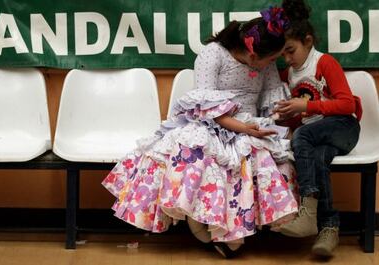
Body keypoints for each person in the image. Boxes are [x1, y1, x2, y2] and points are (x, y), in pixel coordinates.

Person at [102, 6, 298, 259]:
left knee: (261, 157)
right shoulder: (213, 54)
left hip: (251, 124)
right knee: (199, 154)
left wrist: (275, 117)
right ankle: (199, 220)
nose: (274, 63)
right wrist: (244, 128)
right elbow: (206, 107)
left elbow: (271, 98)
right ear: (252, 53)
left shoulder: (266, 63)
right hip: (211, 122)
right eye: (271, 59)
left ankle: (232, 233)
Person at [274, 0, 362, 257]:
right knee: (316, 155)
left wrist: (306, 106)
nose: (287, 59)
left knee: (303, 136)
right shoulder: (288, 73)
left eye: (291, 51)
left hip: (344, 128)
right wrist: (282, 117)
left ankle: (308, 211)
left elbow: (346, 105)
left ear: (308, 41)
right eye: (283, 54)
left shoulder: (324, 63)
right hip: (315, 136)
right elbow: (300, 117)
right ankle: (329, 228)